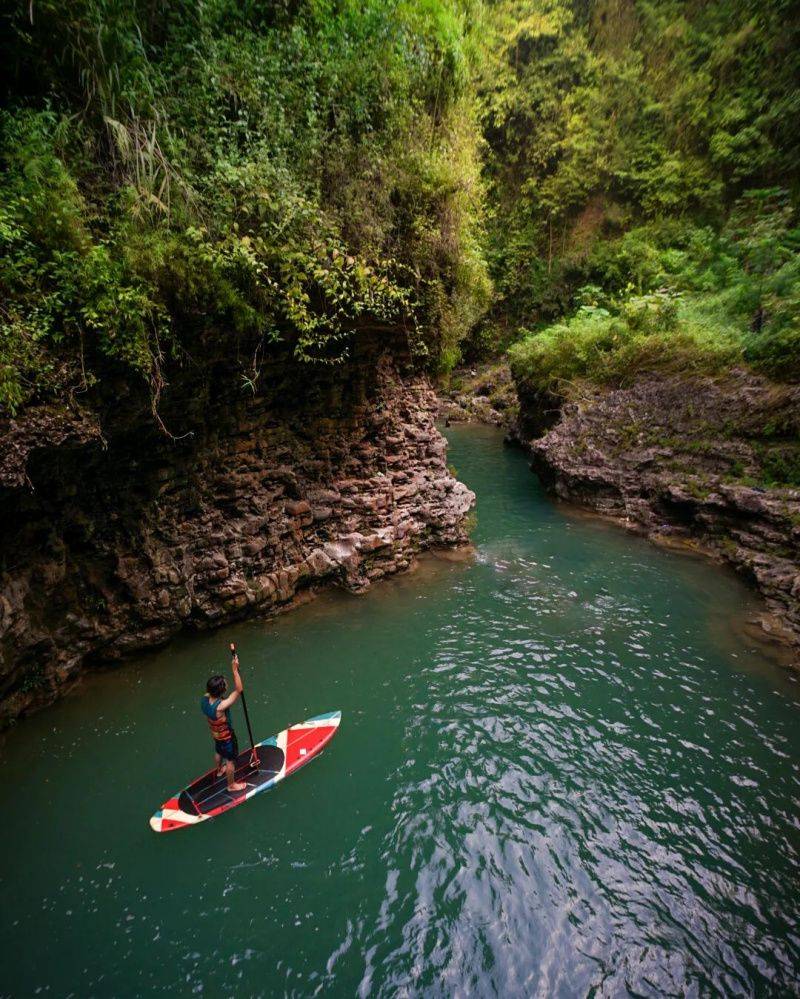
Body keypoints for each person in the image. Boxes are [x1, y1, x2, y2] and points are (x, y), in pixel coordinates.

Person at [201, 652, 247, 792]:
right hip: (227, 738)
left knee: (218, 751)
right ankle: (231, 785)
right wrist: (234, 669)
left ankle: (219, 770)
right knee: (230, 760)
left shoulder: (204, 699)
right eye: (225, 684)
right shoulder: (221, 706)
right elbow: (239, 690)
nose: (227, 684)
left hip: (216, 735)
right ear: (221, 690)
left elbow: (212, 692)